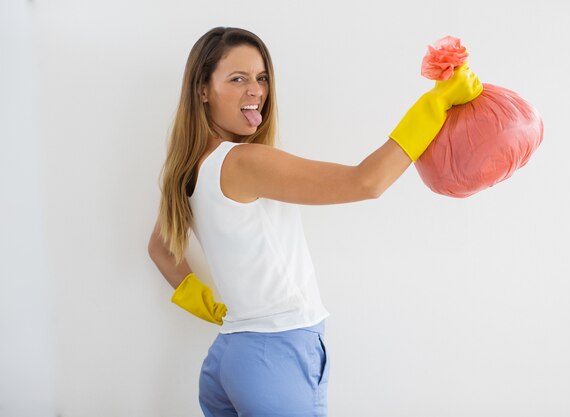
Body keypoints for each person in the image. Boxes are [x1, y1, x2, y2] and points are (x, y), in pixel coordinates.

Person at [147, 26, 482, 417]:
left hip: (229, 358)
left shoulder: (188, 172)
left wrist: (210, 306)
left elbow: (159, 247)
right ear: (202, 90)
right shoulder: (243, 161)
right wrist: (435, 104)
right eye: (237, 78)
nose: (255, 90)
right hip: (276, 356)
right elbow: (366, 181)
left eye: (261, 78)